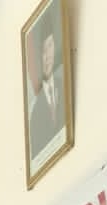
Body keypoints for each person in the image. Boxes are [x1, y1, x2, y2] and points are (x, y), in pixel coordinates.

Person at [28, 18, 65, 160]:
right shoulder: (35, 113)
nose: (47, 56)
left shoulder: (63, 87)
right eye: (44, 50)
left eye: (50, 46)